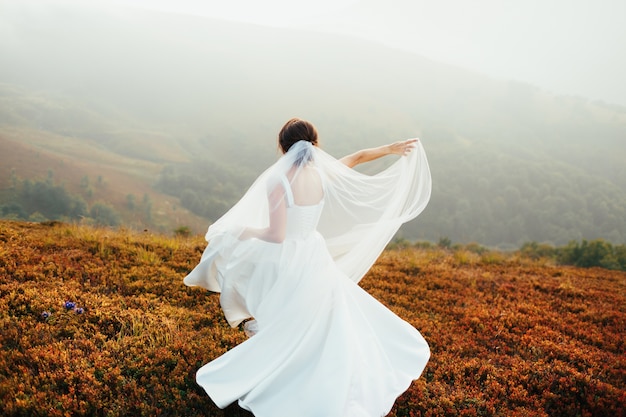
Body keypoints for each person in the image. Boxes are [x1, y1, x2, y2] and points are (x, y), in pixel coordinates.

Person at [184, 118, 432, 417]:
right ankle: (324, 364)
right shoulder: (321, 173)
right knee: (317, 313)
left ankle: (293, 368)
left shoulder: (278, 180)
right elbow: (356, 157)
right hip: (313, 253)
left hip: (288, 257)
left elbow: (276, 235)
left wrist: (243, 231)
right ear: (314, 145)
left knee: (286, 310)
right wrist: (390, 149)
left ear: (283, 146)